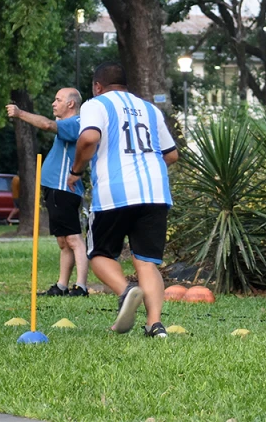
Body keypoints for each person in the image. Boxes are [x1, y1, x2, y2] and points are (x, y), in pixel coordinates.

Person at [67, 62, 179, 338]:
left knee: (99, 254)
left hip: (114, 191)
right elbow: (171, 154)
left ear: (97, 86)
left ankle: (126, 291)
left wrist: (76, 170)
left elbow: (89, 137)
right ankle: (155, 325)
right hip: (155, 192)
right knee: (146, 262)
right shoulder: (150, 109)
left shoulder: (96, 104)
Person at [7, 87, 89, 297]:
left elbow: (46, 124)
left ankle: (81, 286)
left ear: (71, 104)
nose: (53, 103)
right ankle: (61, 285)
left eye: (58, 100)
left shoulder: (75, 123)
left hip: (64, 189)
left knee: (73, 238)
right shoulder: (67, 124)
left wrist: (20, 113)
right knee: (63, 241)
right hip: (55, 189)